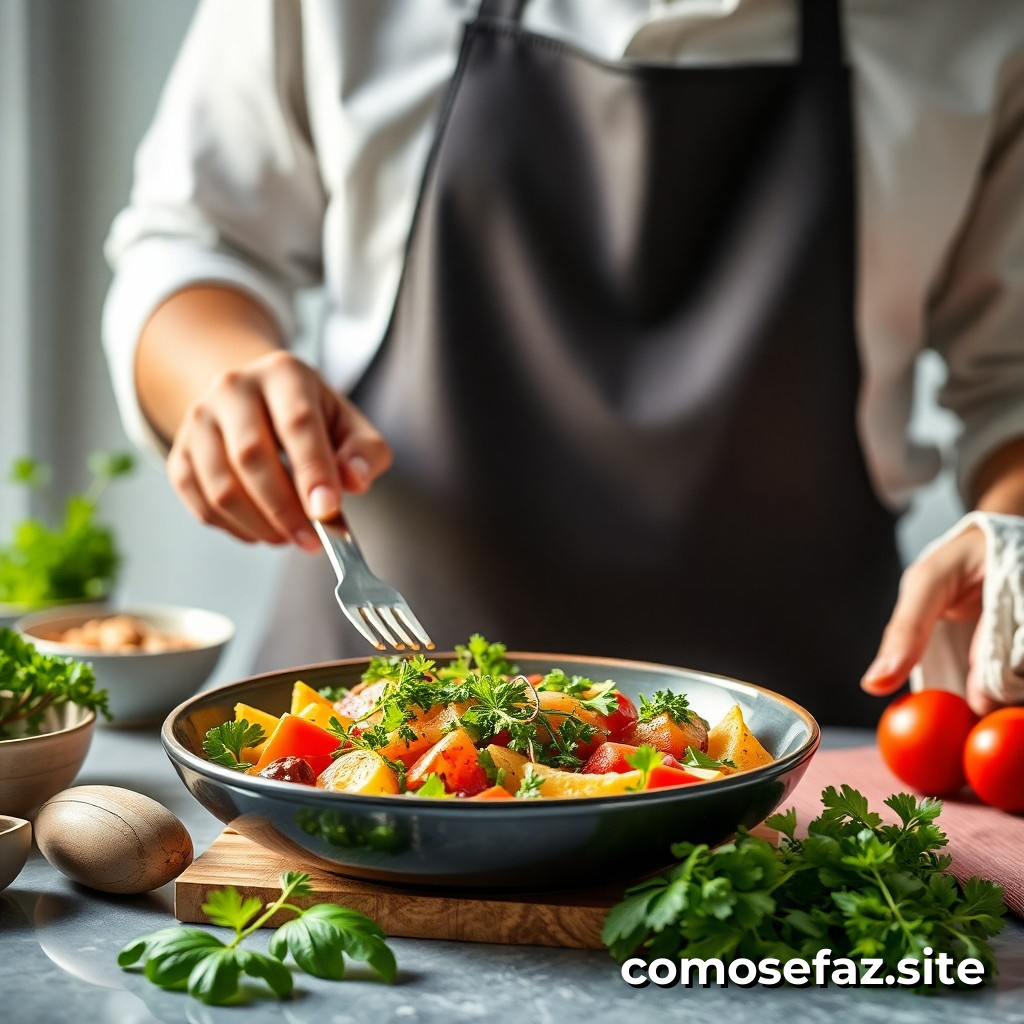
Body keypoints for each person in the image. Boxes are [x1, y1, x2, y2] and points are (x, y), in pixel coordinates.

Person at [103, 0, 1024, 726]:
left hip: (804, 758)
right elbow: (197, 245)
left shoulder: (981, 24)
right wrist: (223, 381)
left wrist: (1011, 540)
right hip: (365, 721)